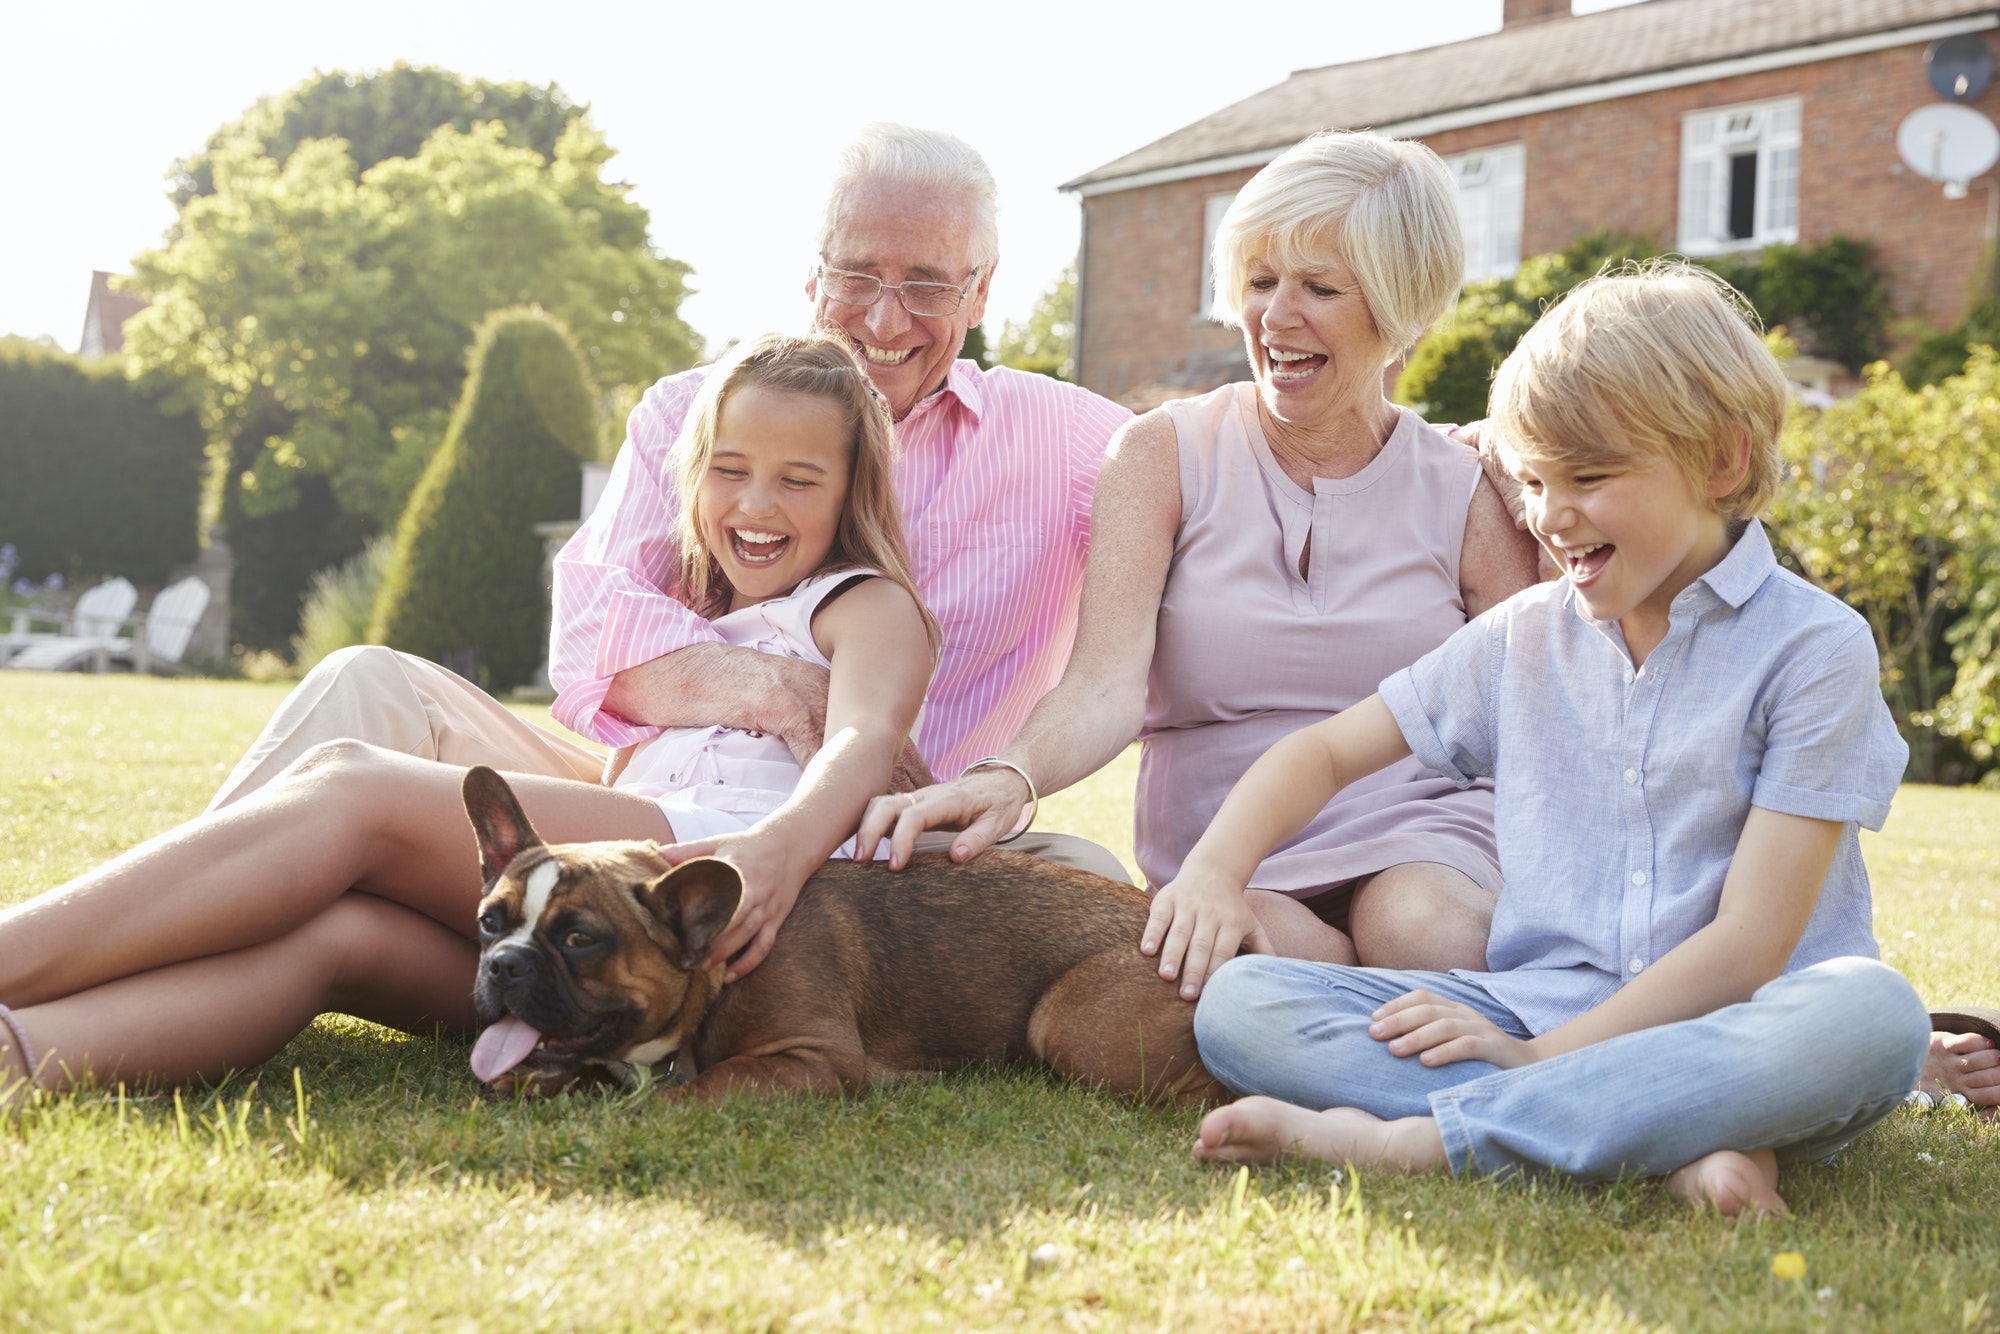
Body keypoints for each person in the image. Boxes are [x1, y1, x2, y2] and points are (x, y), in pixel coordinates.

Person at [204, 123, 1136, 950]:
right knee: (367, 684)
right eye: (855, 275)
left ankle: (525, 965)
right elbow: (588, 632)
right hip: (659, 794)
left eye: (928, 284)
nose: (884, 319)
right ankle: (190, 915)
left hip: (890, 847)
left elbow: (1219, 466)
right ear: (812, 276)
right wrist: (776, 689)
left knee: (1085, 878)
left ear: (980, 294)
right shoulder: (691, 412)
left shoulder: (1076, 442)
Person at [0, 331, 935, 1106]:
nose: (757, 503)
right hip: (608, 964)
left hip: (703, 883)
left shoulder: (862, 604)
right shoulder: (709, 617)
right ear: (690, 479)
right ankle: (23, 1050)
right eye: (729, 470)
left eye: (800, 480)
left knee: (349, 790)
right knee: (342, 937)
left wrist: (776, 849)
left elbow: (863, 735)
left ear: (853, 489)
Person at [1181, 263, 1931, 1219]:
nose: (1550, 513)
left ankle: (1426, 1142)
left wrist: (1539, 1062)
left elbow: (1749, 947)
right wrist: (1212, 869)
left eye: (1589, 476)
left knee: (1872, 1016)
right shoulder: (1521, 635)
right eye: (1533, 478)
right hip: (1542, 1002)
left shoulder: (1816, 650)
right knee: (1247, 1008)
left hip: (1738, 1028)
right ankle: (1666, 1138)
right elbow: (1322, 754)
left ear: (1723, 464)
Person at [859, 131, 1541, 994]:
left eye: (1319, 288)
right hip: (1226, 853)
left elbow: (1540, 708)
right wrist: (1009, 775)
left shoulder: (1466, 486)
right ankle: (1413, 1044)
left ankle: (1474, 1043)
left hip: (1425, 832)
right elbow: (1104, 683)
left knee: (1422, 929)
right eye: (1260, 283)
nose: (1275, 317)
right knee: (1256, 968)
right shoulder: (1160, 455)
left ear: (1402, 303)